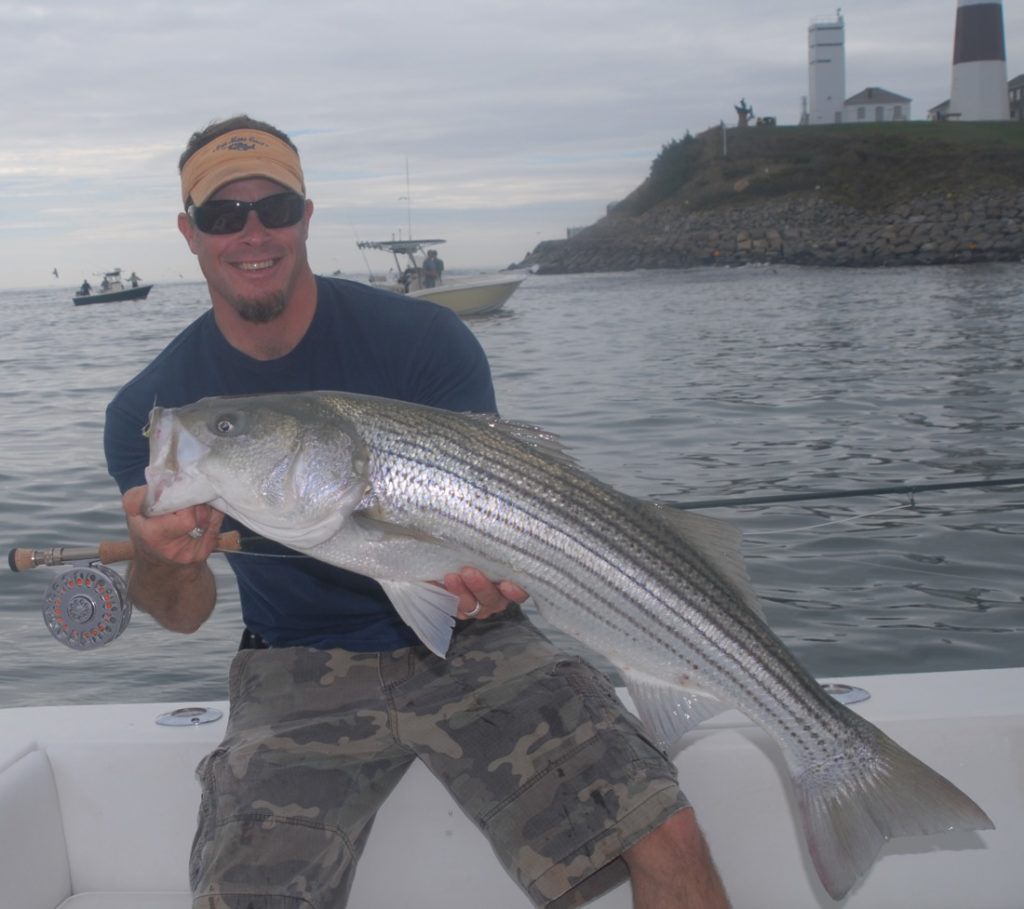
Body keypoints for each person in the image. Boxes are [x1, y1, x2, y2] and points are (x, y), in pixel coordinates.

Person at [104, 115, 730, 909]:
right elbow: (183, 613)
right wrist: (159, 551)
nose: (252, 233)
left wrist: (495, 581)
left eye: (276, 208)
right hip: (294, 665)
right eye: (225, 215)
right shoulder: (154, 413)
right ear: (190, 232)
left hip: (478, 640)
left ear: (307, 217)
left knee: (666, 832)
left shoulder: (424, 337)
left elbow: (505, 517)